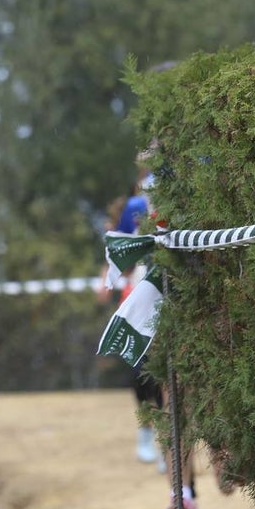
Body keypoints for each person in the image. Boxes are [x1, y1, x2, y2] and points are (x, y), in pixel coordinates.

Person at [97, 170, 166, 473]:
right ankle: (147, 430)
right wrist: (108, 276)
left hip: (172, 293)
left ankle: (170, 443)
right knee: (141, 369)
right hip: (141, 293)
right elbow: (121, 254)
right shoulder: (135, 208)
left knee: (168, 371)